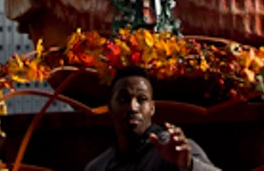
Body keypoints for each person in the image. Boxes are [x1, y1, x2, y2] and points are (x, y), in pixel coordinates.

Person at [84, 69, 220, 171]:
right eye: (123, 99)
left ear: (152, 108)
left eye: (141, 99)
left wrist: (188, 165)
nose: (133, 107)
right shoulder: (98, 167)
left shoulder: (176, 148)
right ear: (110, 108)